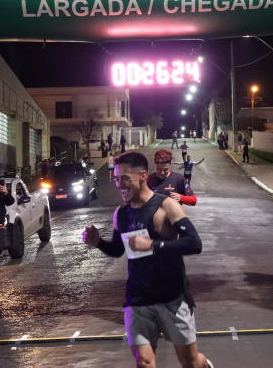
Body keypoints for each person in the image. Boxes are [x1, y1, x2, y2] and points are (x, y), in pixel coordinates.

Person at [82, 152, 213, 368]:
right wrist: (98, 242)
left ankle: (205, 364)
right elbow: (118, 250)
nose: (119, 184)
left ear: (143, 176)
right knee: (143, 361)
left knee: (190, 363)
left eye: (125, 178)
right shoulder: (121, 213)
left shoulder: (166, 206)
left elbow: (194, 243)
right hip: (138, 297)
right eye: (117, 179)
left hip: (172, 296)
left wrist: (152, 244)